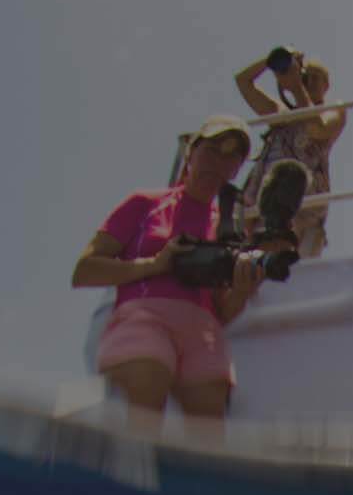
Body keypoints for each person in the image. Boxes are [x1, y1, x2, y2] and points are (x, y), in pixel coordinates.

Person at [72, 116, 272, 438]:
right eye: (211, 150)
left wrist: (243, 289)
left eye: (231, 158)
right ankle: (136, 481)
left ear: (237, 171)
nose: (219, 163)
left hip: (203, 330)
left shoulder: (231, 229)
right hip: (144, 315)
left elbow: (222, 311)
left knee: (209, 440)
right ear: (190, 154)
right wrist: (157, 263)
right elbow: (84, 270)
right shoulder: (144, 203)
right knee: (144, 417)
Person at [236, 47, 345, 258]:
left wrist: (296, 88)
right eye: (306, 76)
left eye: (316, 77)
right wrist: (272, 62)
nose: (309, 81)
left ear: (327, 85)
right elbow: (243, 82)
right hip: (262, 206)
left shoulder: (333, 109)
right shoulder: (282, 113)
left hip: (303, 211)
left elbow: (318, 128)